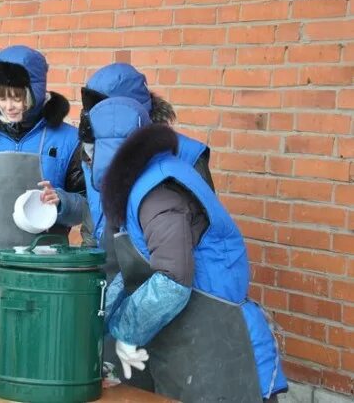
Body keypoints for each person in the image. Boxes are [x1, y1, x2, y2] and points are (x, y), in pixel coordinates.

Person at [85, 96, 287, 402]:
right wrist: (102, 327)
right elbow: (125, 274)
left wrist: (127, 331)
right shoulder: (142, 185)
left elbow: (173, 279)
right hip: (192, 345)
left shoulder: (157, 192)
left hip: (221, 344)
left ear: (105, 152)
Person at [0, 45, 85, 248]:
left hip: (46, 258)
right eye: (2, 97)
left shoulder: (68, 140)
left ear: (34, 93)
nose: (8, 106)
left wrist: (62, 201)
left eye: (17, 98)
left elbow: (86, 205)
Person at [78, 63, 214, 250]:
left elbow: (203, 227)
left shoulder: (187, 154)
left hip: (167, 266)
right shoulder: (94, 150)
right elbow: (93, 213)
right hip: (111, 267)